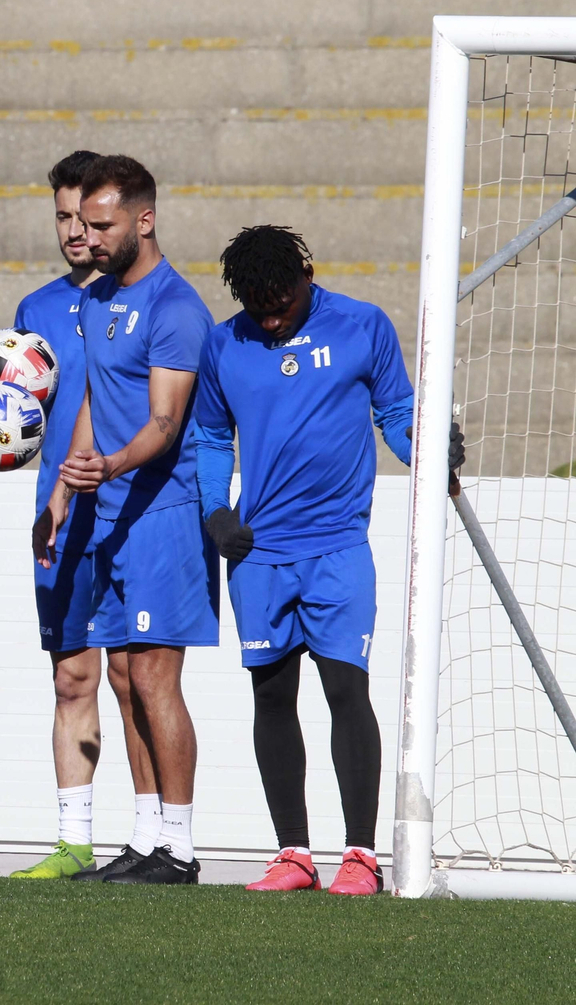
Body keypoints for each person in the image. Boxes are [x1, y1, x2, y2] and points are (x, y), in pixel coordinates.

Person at [194, 225, 465, 895]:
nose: (271, 319)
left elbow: (396, 411)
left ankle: (361, 856)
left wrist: (429, 446)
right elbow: (211, 437)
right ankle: (292, 853)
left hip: (338, 547)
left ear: (306, 276)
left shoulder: (362, 325)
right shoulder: (223, 344)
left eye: (281, 304)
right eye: (258, 308)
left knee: (346, 689)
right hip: (258, 554)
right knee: (270, 694)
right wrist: (216, 512)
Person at [40, 154, 217, 885]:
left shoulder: (176, 308)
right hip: (110, 513)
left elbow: (165, 423)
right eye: (82, 223)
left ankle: (180, 845)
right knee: (122, 676)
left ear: (144, 220)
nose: (88, 236)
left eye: (103, 225)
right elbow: (92, 398)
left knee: (153, 677)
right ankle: (146, 838)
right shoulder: (99, 300)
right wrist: (63, 490)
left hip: (162, 516)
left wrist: (109, 466)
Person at [8, 151, 165, 881]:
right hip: (61, 512)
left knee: (135, 680)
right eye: (62, 217)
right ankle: (74, 841)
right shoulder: (36, 310)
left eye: (84, 217)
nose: (75, 231)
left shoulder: (141, 301)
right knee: (72, 677)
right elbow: (18, 415)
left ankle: (153, 837)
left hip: (131, 510)